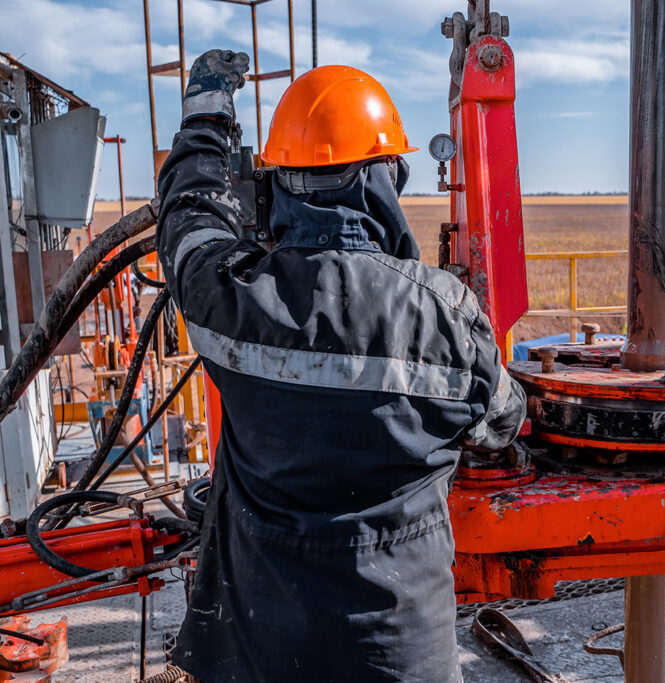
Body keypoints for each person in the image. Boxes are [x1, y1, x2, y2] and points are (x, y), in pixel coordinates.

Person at [156, 49, 526, 682]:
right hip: (400, 656)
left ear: (277, 186)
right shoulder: (447, 313)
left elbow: (189, 215)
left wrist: (208, 112)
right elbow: (500, 425)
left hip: (264, 654)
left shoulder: (229, 301)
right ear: (383, 182)